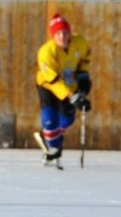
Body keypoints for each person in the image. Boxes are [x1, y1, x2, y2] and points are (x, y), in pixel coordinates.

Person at [34, 13, 92, 168]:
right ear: (53, 35)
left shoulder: (80, 43)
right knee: (50, 117)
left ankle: (49, 135)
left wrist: (83, 78)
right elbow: (52, 81)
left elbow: (84, 60)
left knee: (67, 119)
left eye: (65, 32)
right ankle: (54, 146)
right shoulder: (46, 52)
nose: (62, 36)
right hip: (48, 85)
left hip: (69, 84)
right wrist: (72, 95)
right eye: (58, 33)